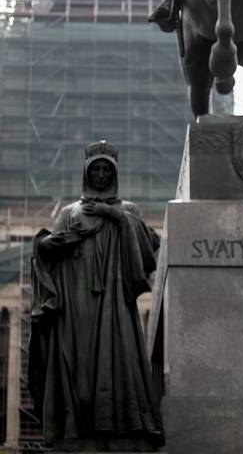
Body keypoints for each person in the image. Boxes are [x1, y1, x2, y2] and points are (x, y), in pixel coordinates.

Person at [29, 141, 165, 448]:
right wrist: (47, 245)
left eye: (106, 170)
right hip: (75, 305)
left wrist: (114, 215)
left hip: (115, 303)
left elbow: (148, 249)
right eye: (96, 169)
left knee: (118, 362)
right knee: (78, 368)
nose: (101, 175)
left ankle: (122, 425)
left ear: (114, 174)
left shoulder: (127, 210)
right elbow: (47, 252)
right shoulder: (68, 212)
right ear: (87, 174)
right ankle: (75, 427)